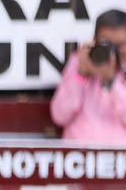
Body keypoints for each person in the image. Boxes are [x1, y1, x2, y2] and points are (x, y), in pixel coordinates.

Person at [51, 8, 126, 143]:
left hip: (120, 158)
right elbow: (59, 116)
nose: (113, 51)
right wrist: (81, 75)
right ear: (95, 40)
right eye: (107, 44)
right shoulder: (80, 61)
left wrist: (111, 82)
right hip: (79, 155)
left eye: (120, 45)